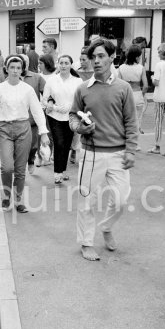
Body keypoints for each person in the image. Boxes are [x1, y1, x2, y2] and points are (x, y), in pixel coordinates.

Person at [69, 39, 138, 261]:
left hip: (118, 153)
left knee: (120, 200)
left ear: (112, 57)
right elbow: (72, 116)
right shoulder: (83, 89)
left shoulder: (123, 88)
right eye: (93, 57)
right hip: (91, 153)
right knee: (86, 200)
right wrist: (80, 127)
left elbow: (131, 121)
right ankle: (87, 243)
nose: (96, 61)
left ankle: (106, 227)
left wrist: (131, 150)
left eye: (100, 56)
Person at [0, 55, 50, 213]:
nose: (15, 71)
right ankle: (6, 196)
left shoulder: (27, 89)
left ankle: (18, 200)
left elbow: (37, 111)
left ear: (22, 70)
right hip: (5, 130)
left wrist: (43, 132)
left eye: (18, 68)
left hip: (23, 128)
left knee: (20, 169)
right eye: (12, 67)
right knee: (7, 167)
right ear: (6, 69)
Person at [42, 55, 83, 184]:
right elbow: (45, 98)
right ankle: (57, 173)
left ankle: (63, 170)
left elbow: (80, 99)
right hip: (55, 116)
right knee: (59, 143)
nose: (64, 65)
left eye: (66, 63)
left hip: (71, 116)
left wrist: (70, 108)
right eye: (61, 63)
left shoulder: (77, 81)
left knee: (67, 145)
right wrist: (54, 107)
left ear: (71, 65)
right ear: (58, 64)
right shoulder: (52, 80)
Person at [19, 54, 46, 175]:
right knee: (17, 147)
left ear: (28, 63)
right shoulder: (11, 78)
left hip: (32, 119)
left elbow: (47, 93)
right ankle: (18, 170)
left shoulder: (37, 77)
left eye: (24, 62)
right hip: (17, 120)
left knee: (33, 146)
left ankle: (30, 160)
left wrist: (48, 104)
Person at [118, 44, 149, 149]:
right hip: (137, 95)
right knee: (137, 120)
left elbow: (118, 85)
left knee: (124, 120)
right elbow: (145, 86)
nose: (140, 58)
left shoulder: (121, 68)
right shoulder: (141, 68)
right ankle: (135, 144)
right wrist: (142, 95)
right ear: (136, 57)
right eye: (139, 56)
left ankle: (124, 142)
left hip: (125, 96)